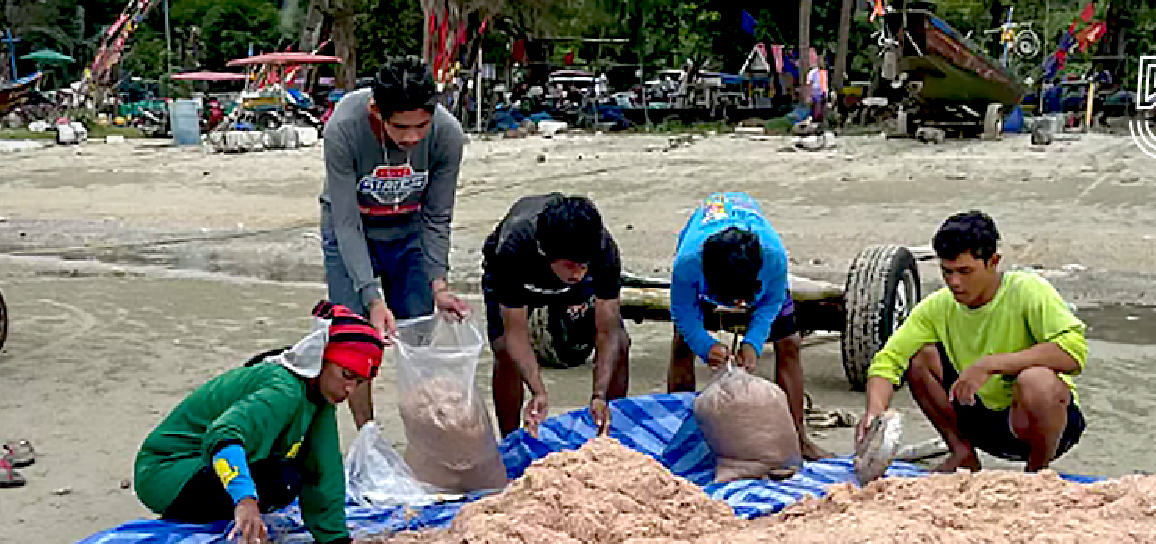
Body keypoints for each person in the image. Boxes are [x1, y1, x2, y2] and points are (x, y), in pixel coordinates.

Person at [134, 303, 384, 544]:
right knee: (279, 481)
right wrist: (245, 500)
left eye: (359, 382)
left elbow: (324, 467)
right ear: (321, 358)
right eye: (346, 375)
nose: (350, 390)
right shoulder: (283, 389)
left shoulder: (318, 398)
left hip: (203, 467)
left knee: (289, 477)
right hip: (165, 472)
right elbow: (225, 436)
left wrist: (337, 541)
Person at [857, 210, 1087, 472]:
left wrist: (992, 364)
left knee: (1036, 380)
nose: (955, 282)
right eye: (947, 272)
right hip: (978, 414)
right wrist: (874, 413)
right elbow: (888, 361)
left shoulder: (1029, 291)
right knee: (920, 357)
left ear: (993, 261)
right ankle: (962, 452)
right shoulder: (937, 307)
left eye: (965, 271)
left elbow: (1073, 351)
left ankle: (1036, 473)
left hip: (1039, 421)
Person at [319, 56, 468, 428]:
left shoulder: (447, 135)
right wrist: (371, 297)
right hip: (352, 231)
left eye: (422, 125)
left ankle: (421, 432)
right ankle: (367, 434)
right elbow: (346, 222)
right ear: (377, 111)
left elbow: (437, 216)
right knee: (353, 343)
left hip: (410, 233)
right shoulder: (343, 128)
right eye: (401, 127)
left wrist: (439, 284)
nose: (412, 138)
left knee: (418, 337)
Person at [667, 191, 824, 461]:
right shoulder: (689, 263)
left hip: (760, 280)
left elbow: (771, 302)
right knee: (682, 344)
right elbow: (683, 311)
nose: (736, 305)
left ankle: (798, 436)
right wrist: (706, 347)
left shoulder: (773, 257)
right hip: (703, 270)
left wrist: (753, 343)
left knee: (789, 344)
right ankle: (685, 435)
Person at [481, 193, 631, 437]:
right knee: (504, 352)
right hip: (522, 275)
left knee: (621, 343)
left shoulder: (603, 250)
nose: (578, 274)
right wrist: (538, 391)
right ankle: (510, 440)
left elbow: (607, 330)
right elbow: (515, 333)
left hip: (567, 271)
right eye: (571, 266)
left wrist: (599, 394)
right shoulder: (513, 247)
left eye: (584, 266)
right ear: (546, 253)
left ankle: (608, 432)